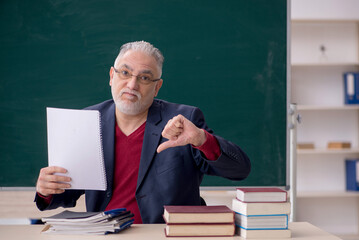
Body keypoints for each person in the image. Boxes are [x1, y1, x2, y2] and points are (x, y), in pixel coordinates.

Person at [35, 41, 251, 224]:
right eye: (125, 73)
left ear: (157, 87)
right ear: (112, 76)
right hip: (105, 233)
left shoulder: (183, 121)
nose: (132, 84)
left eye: (145, 78)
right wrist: (47, 191)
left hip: (167, 234)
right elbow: (67, 192)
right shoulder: (87, 121)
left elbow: (239, 170)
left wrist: (201, 139)